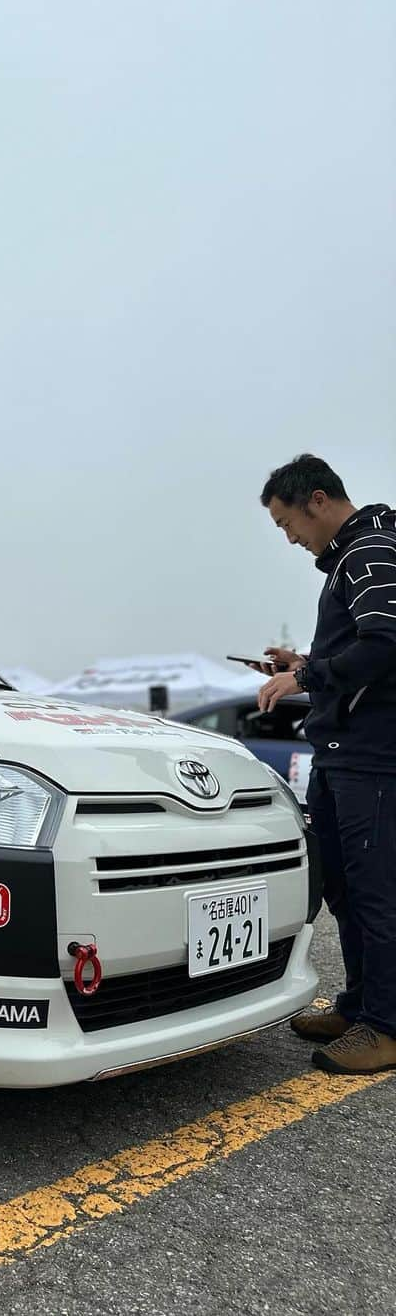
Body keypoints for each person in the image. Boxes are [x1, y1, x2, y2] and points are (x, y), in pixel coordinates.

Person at [258, 453, 396, 1073]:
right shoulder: (347, 559)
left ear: (317, 500)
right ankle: (361, 1004)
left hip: (373, 756)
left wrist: (307, 674)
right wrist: (302, 661)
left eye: (288, 523)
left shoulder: (367, 551)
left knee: (376, 894)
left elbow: (387, 643)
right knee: (342, 887)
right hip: (342, 755)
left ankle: (387, 1027)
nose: (289, 538)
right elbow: (360, 645)